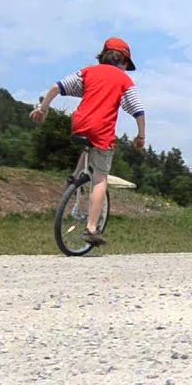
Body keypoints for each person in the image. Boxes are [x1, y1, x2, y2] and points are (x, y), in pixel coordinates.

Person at [30, 36, 146, 245]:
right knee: (100, 178)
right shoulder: (125, 80)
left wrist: (42, 109)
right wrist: (141, 136)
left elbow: (57, 87)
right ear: (124, 62)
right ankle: (92, 228)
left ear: (102, 56)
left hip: (80, 124)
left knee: (87, 150)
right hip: (102, 130)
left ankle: (75, 179)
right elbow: (138, 110)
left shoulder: (87, 72)